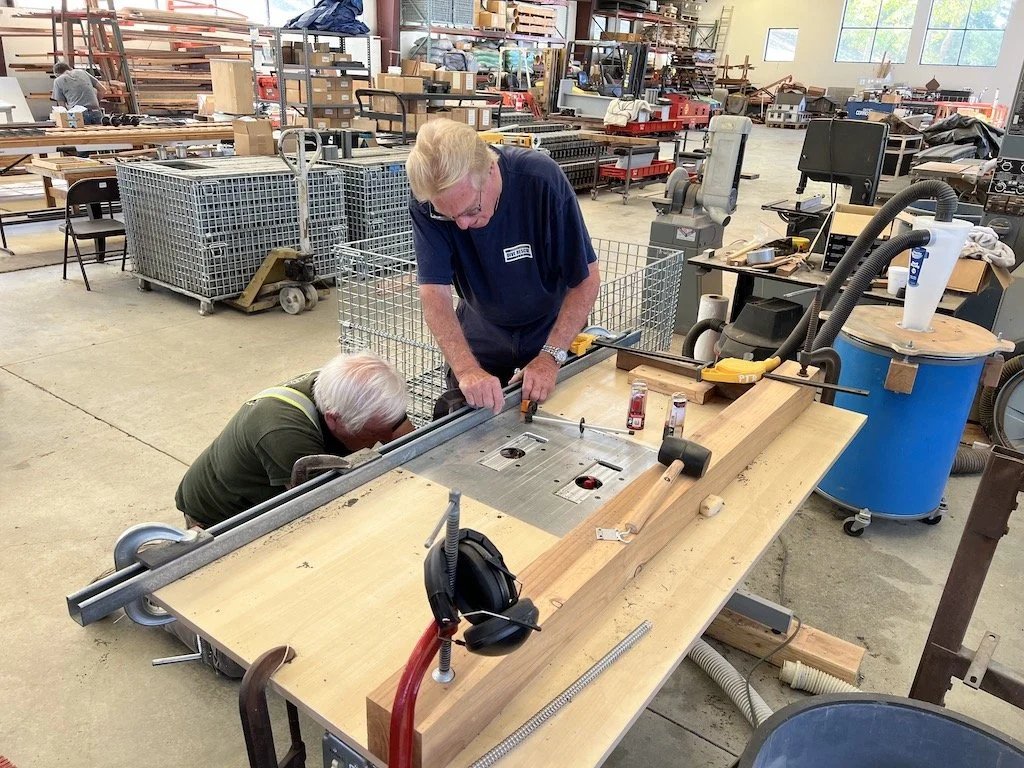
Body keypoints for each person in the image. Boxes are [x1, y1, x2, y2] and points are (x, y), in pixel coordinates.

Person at [407, 118, 601, 415]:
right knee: (470, 418)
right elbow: (434, 292)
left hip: (549, 323)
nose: (462, 225)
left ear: (490, 169)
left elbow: (586, 280)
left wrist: (551, 357)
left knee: (554, 415)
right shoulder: (430, 202)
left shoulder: (540, 180)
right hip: (481, 323)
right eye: (449, 216)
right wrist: (466, 369)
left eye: (471, 209)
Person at [175, 352, 413, 528]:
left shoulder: (353, 392)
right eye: (374, 434)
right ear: (333, 419)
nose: (384, 439)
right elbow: (325, 515)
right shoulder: (287, 437)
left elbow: (409, 442)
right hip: (218, 513)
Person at [51, 62, 106, 126]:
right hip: (96, 111)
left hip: (78, 114)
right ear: (69, 68)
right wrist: (95, 102)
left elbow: (62, 106)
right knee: (99, 132)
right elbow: (102, 90)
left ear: (57, 74)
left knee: (78, 132)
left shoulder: (58, 80)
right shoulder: (82, 72)